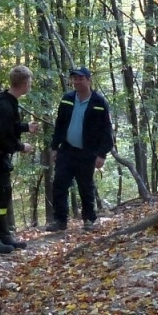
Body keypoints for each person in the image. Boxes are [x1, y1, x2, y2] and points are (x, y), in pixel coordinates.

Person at [46, 66, 114, 232]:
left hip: (88, 152)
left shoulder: (99, 102)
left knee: (86, 186)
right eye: (74, 79)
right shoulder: (67, 99)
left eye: (80, 78)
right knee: (59, 184)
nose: (77, 82)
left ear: (89, 80)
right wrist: (54, 147)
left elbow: (106, 130)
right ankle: (60, 220)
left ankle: (89, 219)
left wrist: (102, 154)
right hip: (67, 150)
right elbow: (60, 124)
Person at [0, 66, 38, 255]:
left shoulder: (7, 101)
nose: (30, 85)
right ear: (25, 84)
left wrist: (25, 127)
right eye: (30, 82)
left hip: (0, 160)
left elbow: (7, 127)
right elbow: (1, 136)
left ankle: (4, 237)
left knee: (3, 197)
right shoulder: (5, 105)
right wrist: (21, 147)